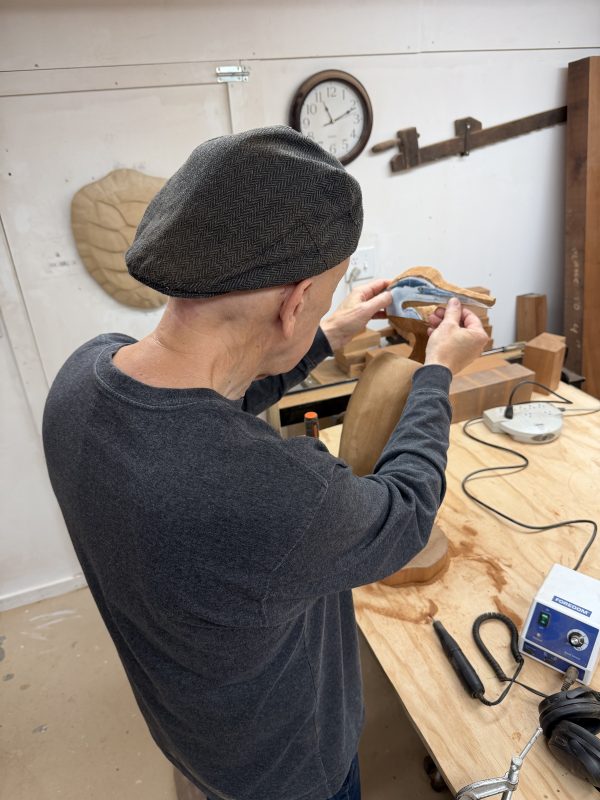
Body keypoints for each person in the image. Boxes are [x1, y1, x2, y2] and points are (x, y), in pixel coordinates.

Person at [42, 126, 488, 800]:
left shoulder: (81, 379)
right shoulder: (277, 494)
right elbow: (406, 509)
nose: (320, 316)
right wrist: (437, 375)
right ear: (291, 302)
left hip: (193, 733)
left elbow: (203, 405)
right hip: (290, 771)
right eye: (323, 300)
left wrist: (326, 335)